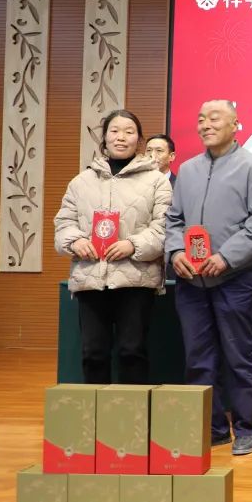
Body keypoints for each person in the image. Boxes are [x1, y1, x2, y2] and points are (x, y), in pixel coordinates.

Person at [165, 100, 252, 457]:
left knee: (239, 356)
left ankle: (246, 429)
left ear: (236, 125)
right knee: (198, 357)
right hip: (191, 280)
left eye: (214, 119)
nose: (205, 125)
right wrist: (175, 252)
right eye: (201, 119)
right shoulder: (188, 169)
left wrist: (226, 257)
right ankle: (211, 430)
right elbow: (173, 220)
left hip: (236, 278)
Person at [54, 110, 172, 385]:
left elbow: (165, 227)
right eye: (114, 131)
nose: (121, 137)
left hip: (136, 278)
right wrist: (75, 241)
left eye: (129, 132)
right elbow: (63, 224)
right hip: (91, 277)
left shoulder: (156, 181)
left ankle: (133, 412)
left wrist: (133, 244)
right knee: (93, 353)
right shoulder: (81, 181)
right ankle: (96, 412)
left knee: (132, 351)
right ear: (104, 137)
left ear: (139, 140)